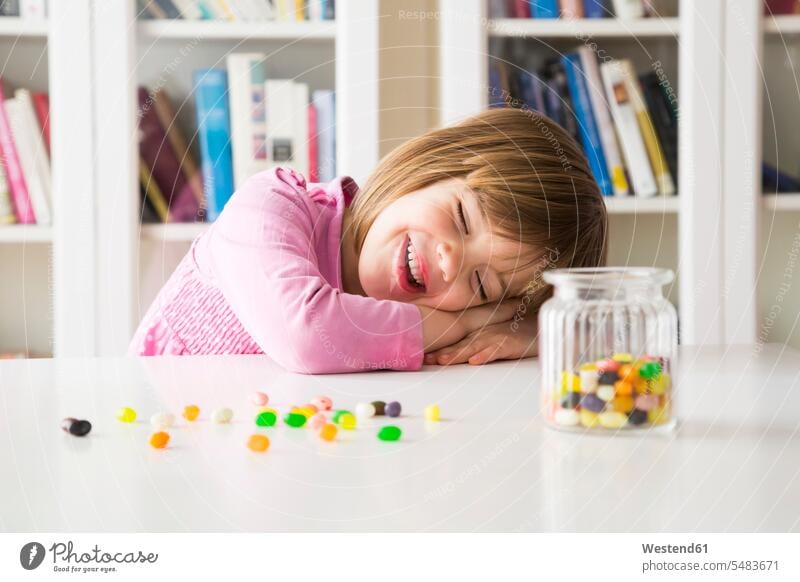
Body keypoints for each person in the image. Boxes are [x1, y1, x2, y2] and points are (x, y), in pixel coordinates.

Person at [129, 107, 607, 373]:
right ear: (428, 166)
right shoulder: (270, 205)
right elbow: (308, 335)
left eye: (482, 284)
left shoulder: (422, 319)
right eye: (462, 217)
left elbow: (598, 329)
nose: (450, 260)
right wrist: (465, 322)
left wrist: (531, 331)